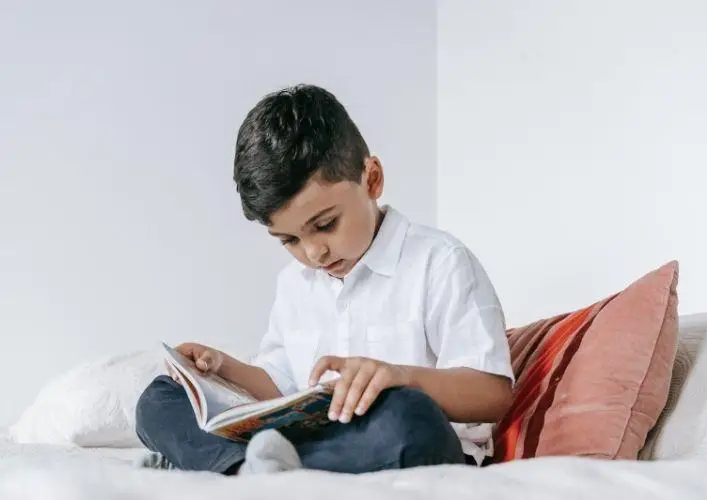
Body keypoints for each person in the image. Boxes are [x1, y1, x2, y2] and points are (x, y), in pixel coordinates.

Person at [135, 84, 515, 475]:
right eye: (289, 240)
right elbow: (280, 388)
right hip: (319, 442)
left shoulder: (440, 261)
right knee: (156, 400)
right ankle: (250, 468)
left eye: (325, 224)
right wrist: (220, 369)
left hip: (404, 439)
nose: (314, 252)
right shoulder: (295, 284)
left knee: (409, 414)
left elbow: (493, 394)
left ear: (372, 179)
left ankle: (226, 466)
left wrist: (403, 377)